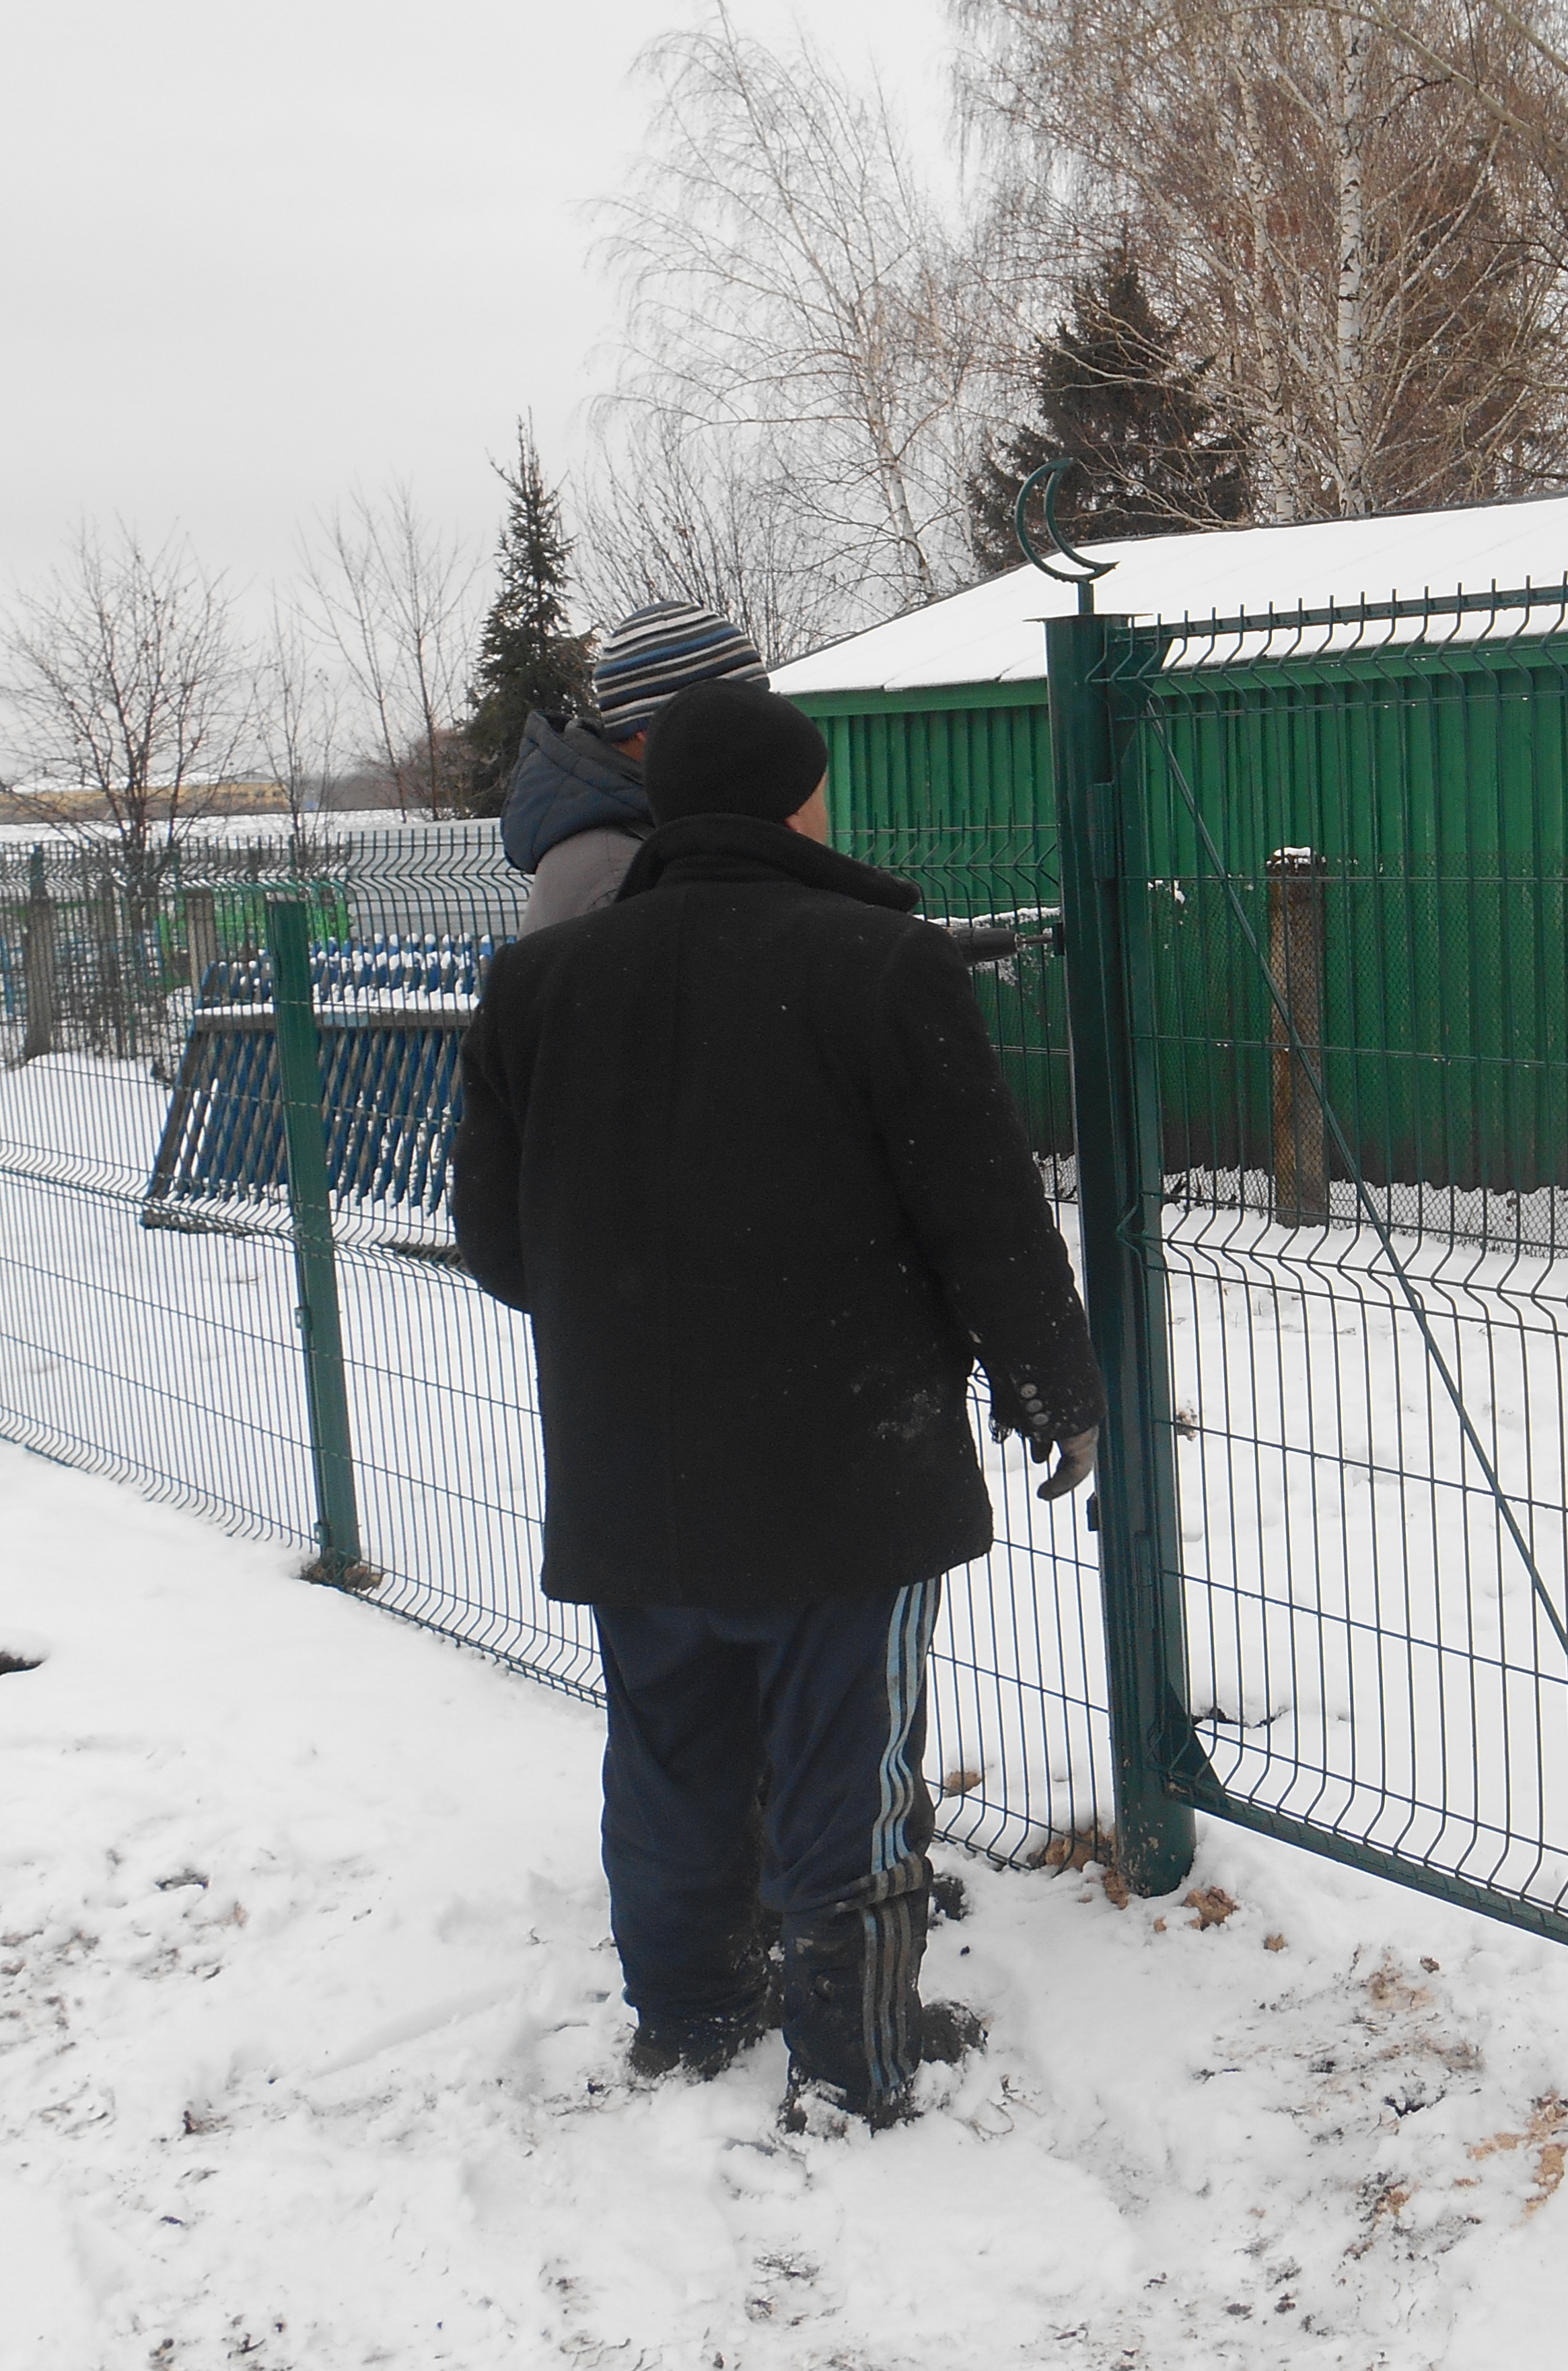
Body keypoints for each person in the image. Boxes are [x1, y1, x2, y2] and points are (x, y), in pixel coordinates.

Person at [453, 677, 1104, 2125]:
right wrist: (1057, 1387)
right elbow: (981, 1213)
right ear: (801, 801)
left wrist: (639, 1330)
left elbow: (499, 1248)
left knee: (672, 1752)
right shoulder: (880, 962)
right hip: (843, 1473)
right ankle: (857, 2054)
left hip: (635, 1473)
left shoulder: (538, 985)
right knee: (844, 1768)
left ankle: (686, 2017)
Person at [498, 598, 767, 933]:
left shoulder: (653, 834)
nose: (765, 732)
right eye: (743, 715)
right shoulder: (621, 877)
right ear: (652, 730)